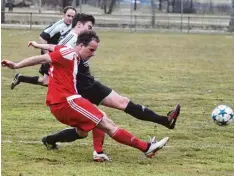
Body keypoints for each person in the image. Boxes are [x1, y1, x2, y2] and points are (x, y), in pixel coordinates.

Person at [10, 13, 181, 159]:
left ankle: (51, 140)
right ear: (81, 45)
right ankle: (146, 148)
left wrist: (39, 45)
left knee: (84, 130)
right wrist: (17, 65)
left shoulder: (69, 51)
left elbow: (54, 47)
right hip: (66, 101)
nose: (93, 54)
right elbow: (44, 58)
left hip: (63, 102)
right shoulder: (68, 53)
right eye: (91, 50)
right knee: (106, 123)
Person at [11, 6, 76, 88]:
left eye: (73, 17)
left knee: (47, 81)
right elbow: (42, 38)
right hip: (50, 53)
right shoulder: (58, 26)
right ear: (63, 15)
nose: (70, 18)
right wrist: (47, 55)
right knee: (49, 81)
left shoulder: (72, 25)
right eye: (68, 16)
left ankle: (20, 77)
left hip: (58, 54)